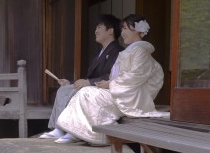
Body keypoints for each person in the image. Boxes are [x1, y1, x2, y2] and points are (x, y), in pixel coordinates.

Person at [56, 13, 169, 145]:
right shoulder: (131, 50)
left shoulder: (141, 51)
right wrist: (109, 83)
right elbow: (118, 75)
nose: (122, 33)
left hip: (132, 97)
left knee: (87, 93)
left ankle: (91, 135)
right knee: (85, 92)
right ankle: (76, 131)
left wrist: (110, 83)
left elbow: (135, 77)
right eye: (122, 29)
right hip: (123, 91)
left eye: (126, 28)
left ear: (137, 30)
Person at [40, 14, 123, 142]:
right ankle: (60, 128)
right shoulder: (101, 52)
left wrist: (88, 82)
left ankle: (73, 130)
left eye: (99, 27)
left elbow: (113, 76)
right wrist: (70, 82)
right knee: (64, 89)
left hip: (105, 89)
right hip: (95, 85)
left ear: (110, 31)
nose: (96, 31)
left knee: (72, 91)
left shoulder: (117, 51)